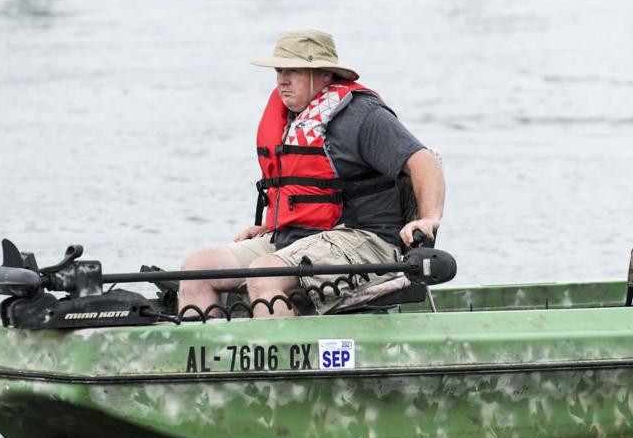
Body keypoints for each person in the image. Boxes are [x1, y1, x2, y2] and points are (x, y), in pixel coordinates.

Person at [179, 28, 445, 317]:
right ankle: (207, 357)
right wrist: (269, 228)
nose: (283, 79)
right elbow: (303, 193)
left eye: (294, 70)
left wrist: (429, 218)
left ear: (325, 75)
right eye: (280, 70)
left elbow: (425, 162)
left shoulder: (363, 116)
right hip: (300, 237)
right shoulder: (291, 118)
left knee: (264, 275)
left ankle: (280, 358)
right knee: (196, 268)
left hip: (364, 239)